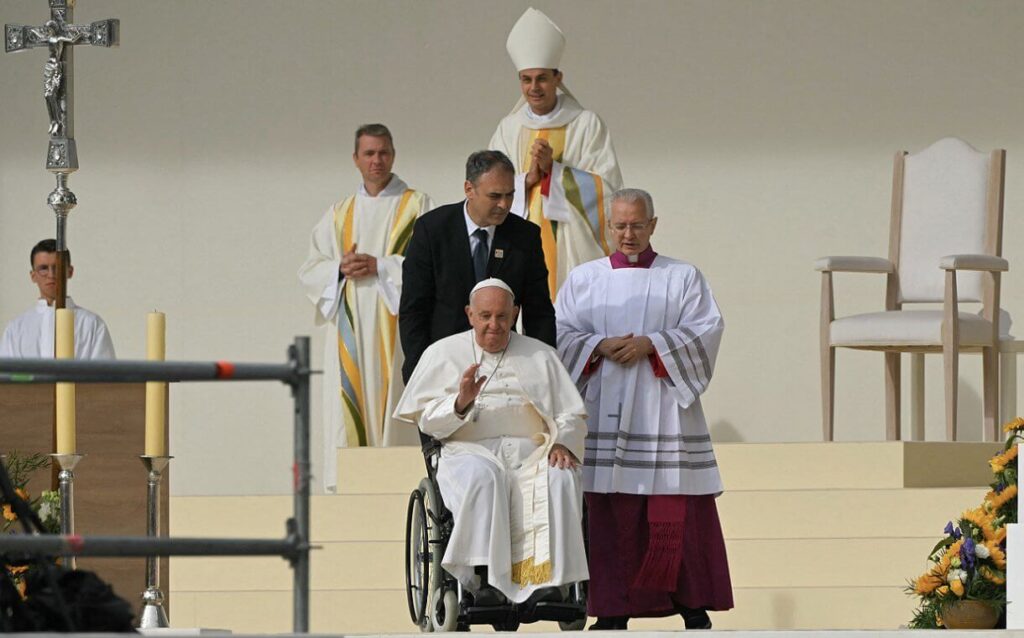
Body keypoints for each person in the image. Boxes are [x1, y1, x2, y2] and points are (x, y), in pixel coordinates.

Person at [554, 189, 733, 630]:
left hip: (664, 406)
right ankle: (613, 610)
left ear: (653, 224)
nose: (628, 234)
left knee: (676, 507)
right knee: (612, 512)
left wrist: (652, 343)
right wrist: (596, 345)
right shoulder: (583, 278)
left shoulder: (683, 276)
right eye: (620, 226)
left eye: (637, 225)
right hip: (605, 405)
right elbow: (558, 333)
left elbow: (707, 328)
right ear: (607, 227)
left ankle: (692, 603)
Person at [394, 278, 588, 604]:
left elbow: (570, 414)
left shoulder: (541, 355)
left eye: (501, 316)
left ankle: (549, 580)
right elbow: (427, 420)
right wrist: (459, 403)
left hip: (534, 449)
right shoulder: (442, 353)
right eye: (485, 316)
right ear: (470, 314)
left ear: (514, 315)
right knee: (484, 478)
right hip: (465, 450)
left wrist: (562, 444)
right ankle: (480, 579)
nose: (493, 325)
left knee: (558, 476)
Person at [298, 124, 433, 491]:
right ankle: (351, 492)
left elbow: (431, 266)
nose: (377, 160)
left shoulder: (416, 205)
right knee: (350, 408)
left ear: (393, 154)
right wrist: (338, 269)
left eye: (383, 152)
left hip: (397, 324)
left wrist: (382, 266)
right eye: (369, 153)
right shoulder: (340, 213)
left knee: (396, 408)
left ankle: (400, 490)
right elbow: (310, 268)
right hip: (351, 329)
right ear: (356, 158)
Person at [489, 7, 623, 297]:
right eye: (526, 79)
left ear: (558, 77)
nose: (534, 88)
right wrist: (526, 180)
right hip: (520, 245)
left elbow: (609, 190)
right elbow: (485, 188)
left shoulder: (586, 124)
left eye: (542, 78)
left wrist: (556, 173)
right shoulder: (508, 129)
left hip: (571, 248)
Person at [399, 150, 554, 383]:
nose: (504, 205)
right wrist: (420, 371)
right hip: (444, 368)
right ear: (469, 189)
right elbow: (414, 310)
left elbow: (539, 312)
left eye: (510, 195)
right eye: (495, 196)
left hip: (505, 370)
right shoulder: (432, 230)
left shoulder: (525, 236)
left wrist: (544, 370)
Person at [0, 239, 115, 360]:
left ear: (70, 272)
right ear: (33, 276)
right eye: (43, 268)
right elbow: (8, 376)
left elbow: (104, 375)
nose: (51, 275)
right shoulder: (16, 329)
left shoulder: (92, 324)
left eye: (57, 267)